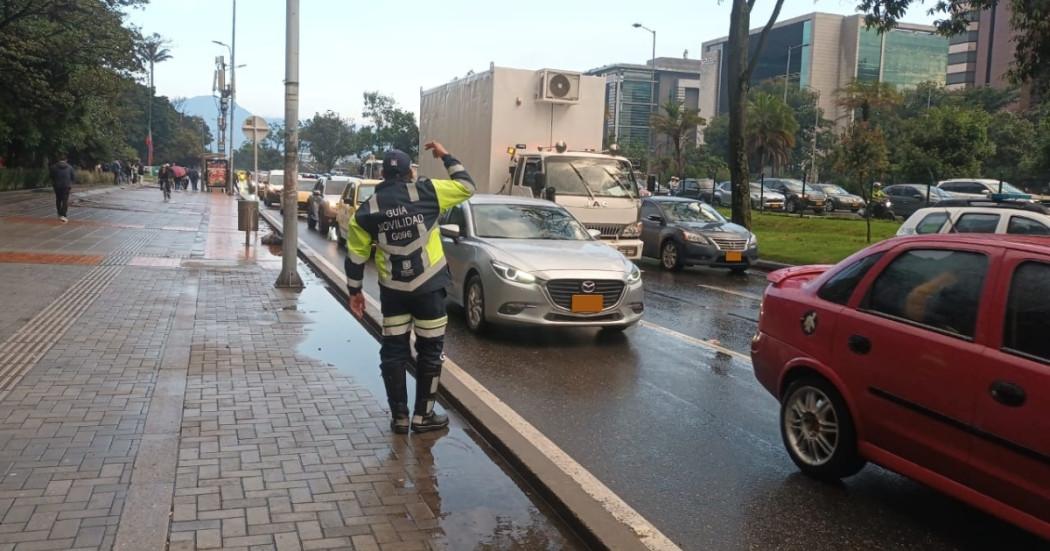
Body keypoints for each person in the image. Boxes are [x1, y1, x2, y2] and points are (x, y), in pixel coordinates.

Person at [345, 142, 475, 434]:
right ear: (410, 173)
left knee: (393, 352)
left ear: (381, 174)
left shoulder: (367, 211)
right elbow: (466, 186)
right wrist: (445, 155)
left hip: (394, 293)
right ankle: (423, 417)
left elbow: (355, 256)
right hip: (429, 288)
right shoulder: (428, 192)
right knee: (430, 351)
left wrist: (355, 292)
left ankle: (399, 418)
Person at [50, 155, 76, 222]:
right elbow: (73, 177)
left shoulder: (54, 167)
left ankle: (59, 213)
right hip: (66, 186)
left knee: (58, 199)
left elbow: (51, 176)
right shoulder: (70, 167)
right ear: (66, 160)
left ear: (59, 159)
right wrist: (70, 183)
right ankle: (63, 215)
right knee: (65, 200)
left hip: (57, 186)